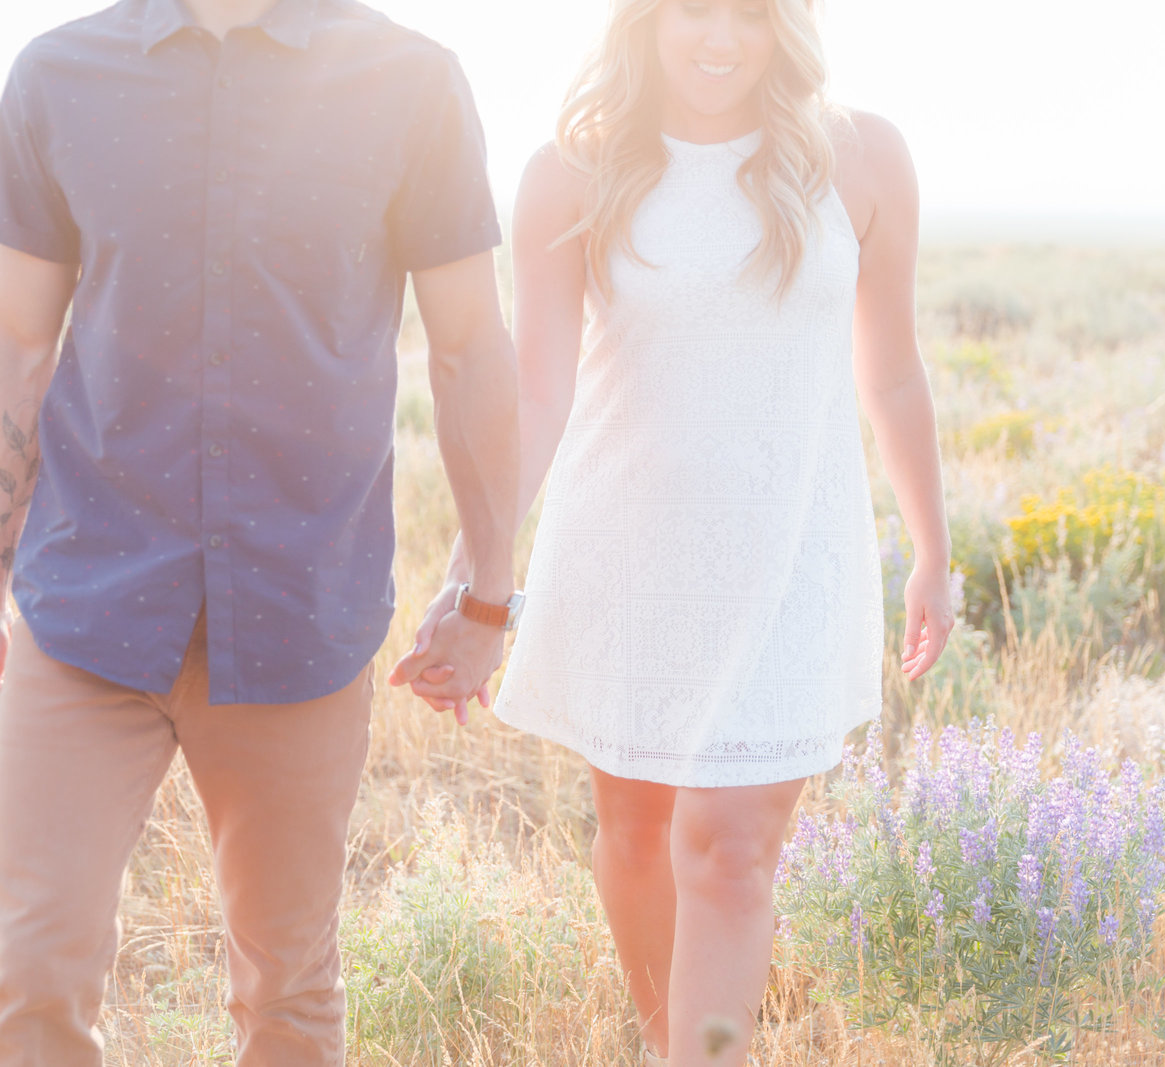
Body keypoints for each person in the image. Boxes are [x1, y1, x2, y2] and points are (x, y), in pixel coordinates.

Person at [0, 0, 521, 1062]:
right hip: (87, 605)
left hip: (299, 612)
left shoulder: (410, 83)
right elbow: (17, 340)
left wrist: (488, 595)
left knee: (287, 990)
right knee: (31, 973)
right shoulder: (60, 76)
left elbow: (471, 347)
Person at [393, 0, 954, 1063]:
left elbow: (890, 371)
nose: (719, 38)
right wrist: (478, 578)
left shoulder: (863, 157)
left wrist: (932, 547)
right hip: (629, 555)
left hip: (791, 554)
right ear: (644, 20)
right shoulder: (573, 172)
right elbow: (539, 394)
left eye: (750, 14)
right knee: (640, 834)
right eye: (694, 9)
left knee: (728, 846)